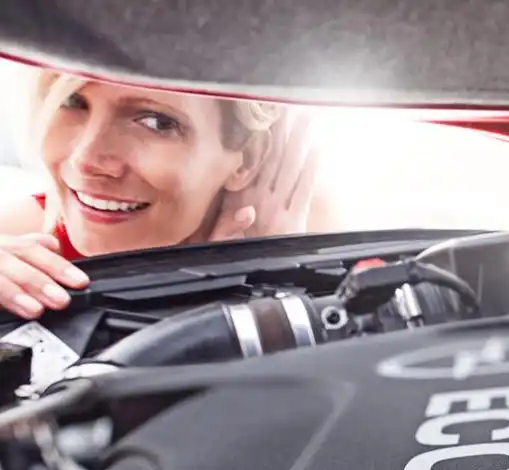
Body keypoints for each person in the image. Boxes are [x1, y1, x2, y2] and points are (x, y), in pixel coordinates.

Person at [0, 71, 332, 318]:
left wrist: (275, 290)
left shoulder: (319, 243)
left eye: (156, 122)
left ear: (248, 159)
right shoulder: (19, 242)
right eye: (73, 102)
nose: (84, 161)